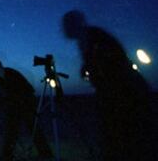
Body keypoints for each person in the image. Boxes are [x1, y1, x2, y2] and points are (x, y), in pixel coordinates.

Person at [62, 10, 152, 161]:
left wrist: (91, 70)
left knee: (123, 138)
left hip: (124, 92)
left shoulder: (93, 37)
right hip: (118, 90)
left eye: (66, 25)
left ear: (75, 24)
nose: (63, 30)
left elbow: (111, 64)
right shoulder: (90, 38)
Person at [0, 59, 53, 161]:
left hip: (25, 102)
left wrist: (8, 101)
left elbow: (12, 91)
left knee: (29, 128)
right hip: (18, 103)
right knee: (17, 129)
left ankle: (44, 153)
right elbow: (4, 94)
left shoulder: (8, 73)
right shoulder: (0, 77)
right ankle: (8, 155)